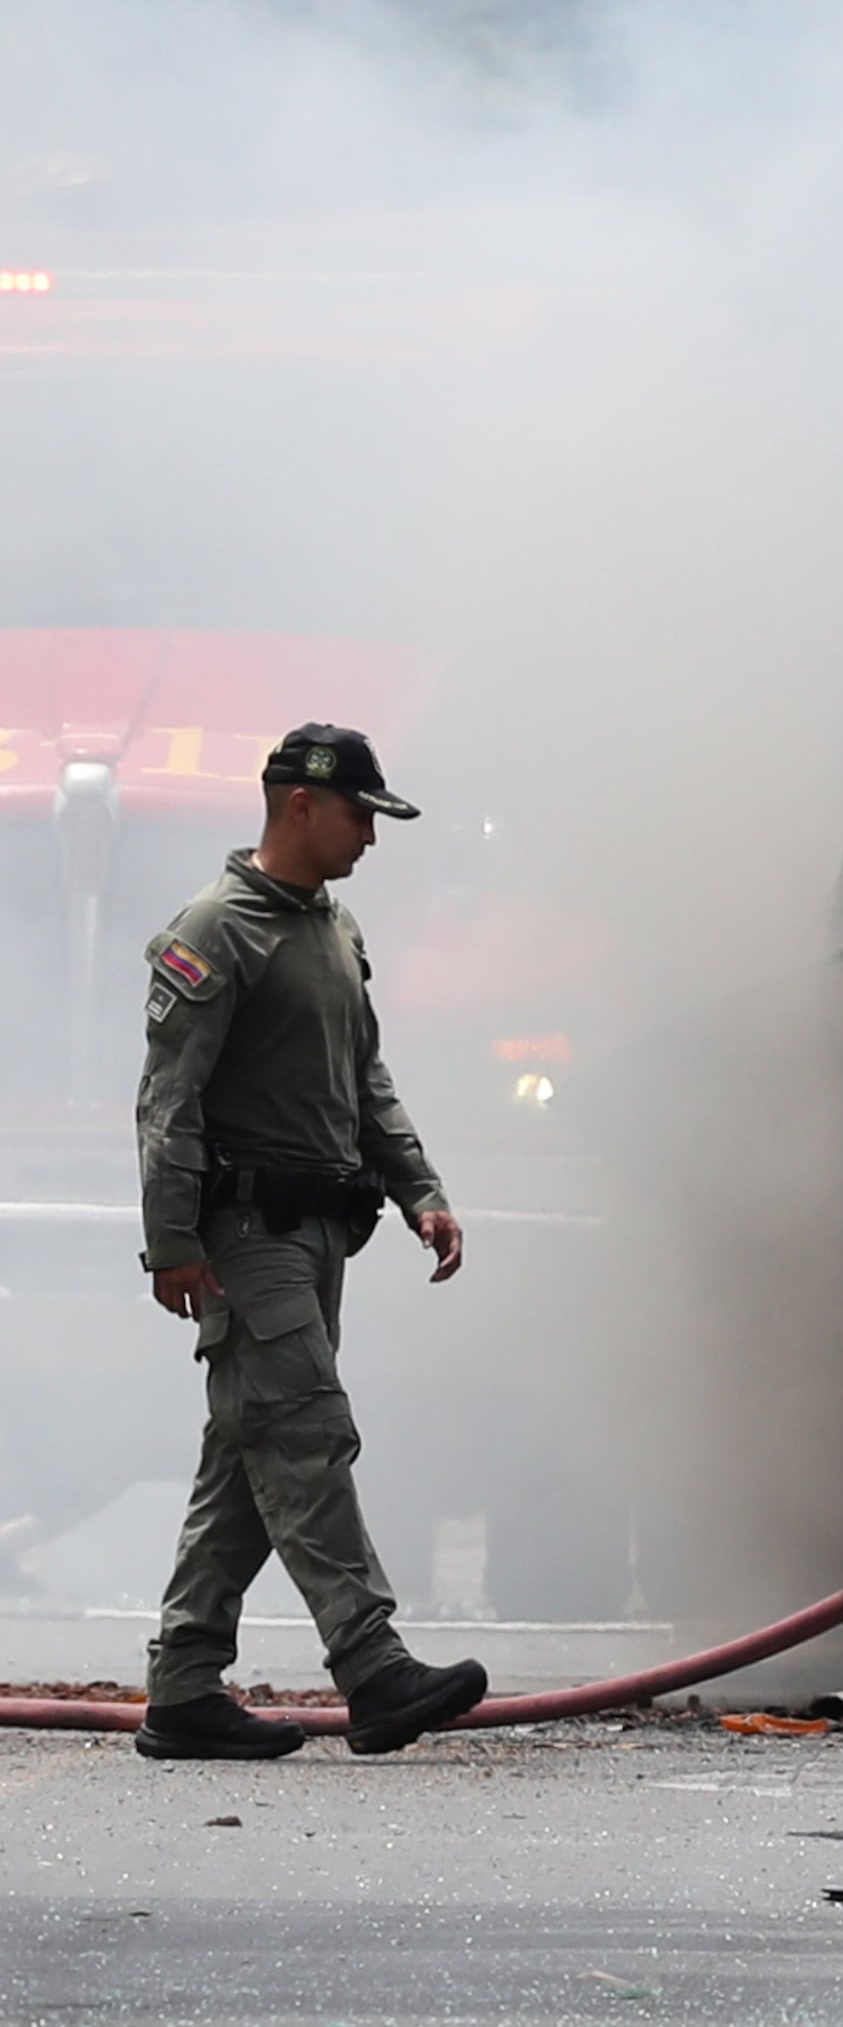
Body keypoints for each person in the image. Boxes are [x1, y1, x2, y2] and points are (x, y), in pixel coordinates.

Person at [131, 724, 489, 1761]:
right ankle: (371, 1664)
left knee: (248, 1456)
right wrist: (170, 1242)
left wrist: (420, 1187)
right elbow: (168, 1101)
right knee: (305, 1433)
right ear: (300, 804)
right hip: (246, 1238)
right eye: (359, 814)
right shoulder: (216, 928)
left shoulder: (333, 929)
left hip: (323, 1232)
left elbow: (364, 1078)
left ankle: (185, 1688)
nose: (371, 836)